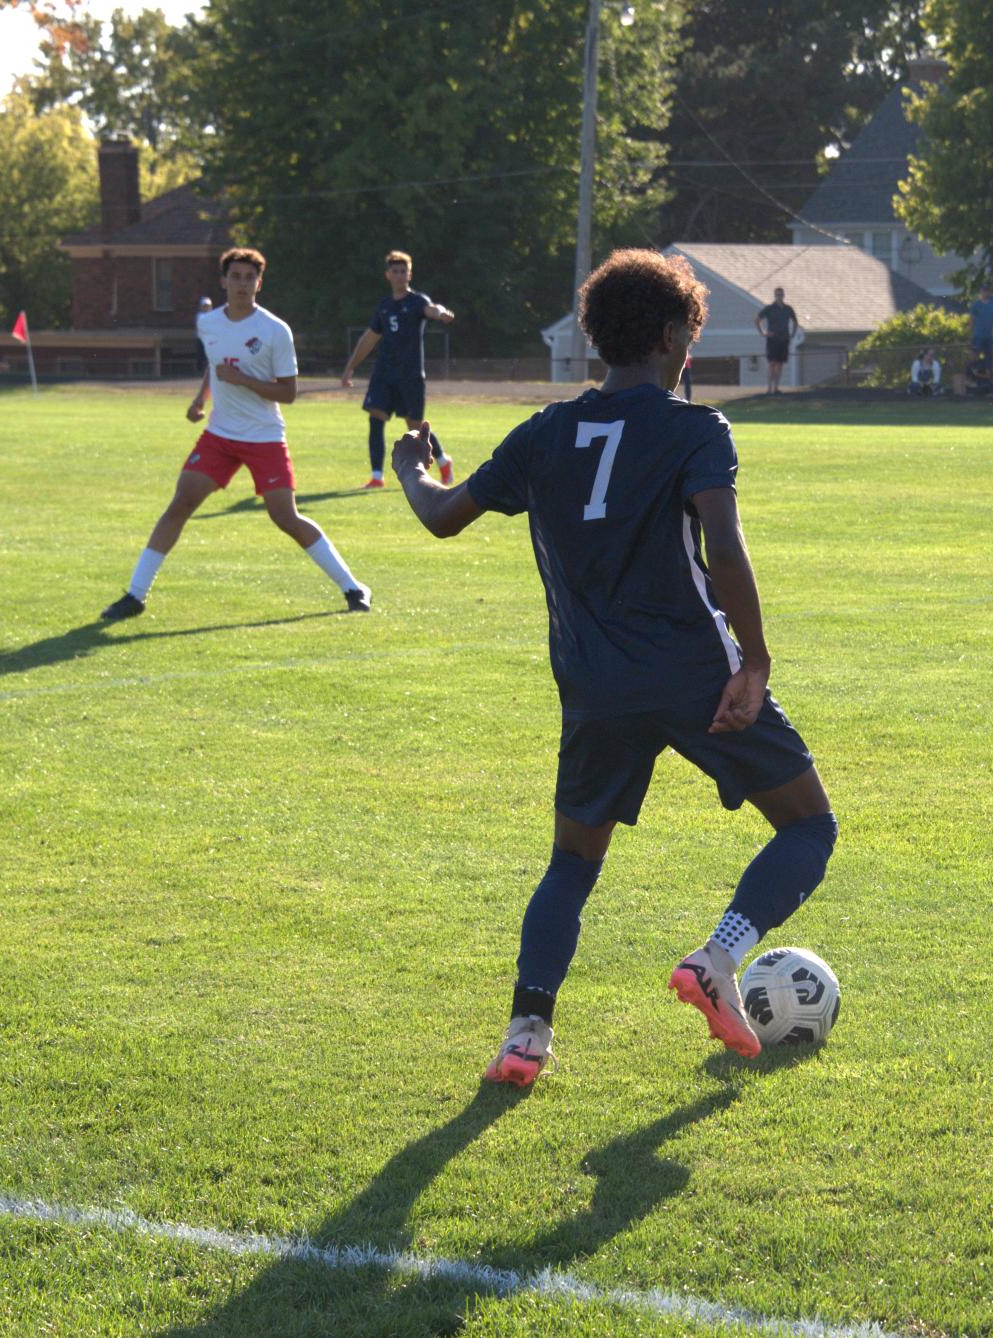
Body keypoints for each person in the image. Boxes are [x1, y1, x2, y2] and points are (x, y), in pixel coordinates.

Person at [387, 248, 836, 1085]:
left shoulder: (544, 433)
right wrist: (757, 662)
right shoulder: (694, 427)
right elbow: (725, 549)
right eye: (691, 338)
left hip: (592, 687)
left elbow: (445, 517)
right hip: (692, 675)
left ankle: (526, 1034)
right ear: (670, 339)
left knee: (572, 864)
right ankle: (718, 956)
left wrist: (412, 471)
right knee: (809, 826)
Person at [100, 247, 370, 621]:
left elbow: (288, 393)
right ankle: (135, 594)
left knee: (285, 517)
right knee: (180, 503)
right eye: (236, 276)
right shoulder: (209, 324)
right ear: (224, 281)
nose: (243, 284)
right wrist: (200, 399)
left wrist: (244, 381)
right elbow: (214, 367)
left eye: (250, 277)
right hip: (220, 436)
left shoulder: (275, 330)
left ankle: (353, 587)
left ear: (259, 283)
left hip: (264, 437)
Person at [340, 250, 457, 489]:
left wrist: (441, 313)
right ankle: (376, 476)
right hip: (384, 374)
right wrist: (350, 367)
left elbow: (432, 309)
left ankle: (444, 461)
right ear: (388, 275)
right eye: (395, 271)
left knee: (415, 426)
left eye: (404, 271)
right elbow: (369, 338)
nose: (399, 275)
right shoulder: (384, 306)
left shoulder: (417, 301)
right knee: (375, 418)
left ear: (410, 274)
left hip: (410, 375)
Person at [755, 287, 799, 394]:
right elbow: (757, 320)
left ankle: (776, 388)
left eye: (781, 295)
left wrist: (792, 334)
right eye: (777, 295)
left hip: (784, 339)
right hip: (772, 339)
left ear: (783, 295)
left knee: (780, 364)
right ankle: (769, 388)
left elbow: (795, 322)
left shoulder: (788, 309)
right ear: (775, 296)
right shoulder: (770, 308)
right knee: (772, 363)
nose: (779, 296)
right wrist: (763, 332)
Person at [969, 285, 993, 367]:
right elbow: (971, 320)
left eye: (987, 291)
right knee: (975, 355)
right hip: (978, 335)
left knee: (989, 356)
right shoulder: (976, 305)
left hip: (989, 335)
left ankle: (988, 374)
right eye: (984, 291)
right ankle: (975, 372)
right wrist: (971, 334)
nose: (985, 293)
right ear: (980, 292)